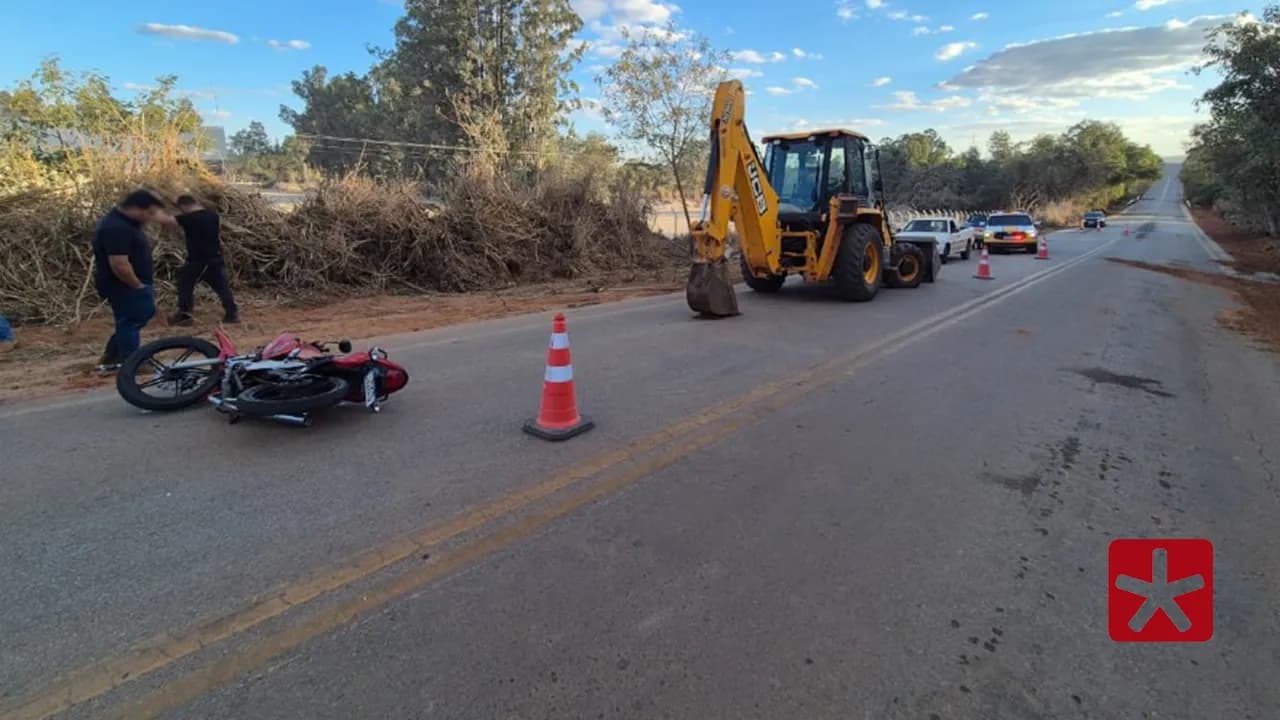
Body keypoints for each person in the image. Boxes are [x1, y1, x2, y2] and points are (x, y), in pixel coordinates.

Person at [92, 189, 168, 372]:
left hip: (127, 283)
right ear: (136, 208)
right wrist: (137, 286)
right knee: (131, 321)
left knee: (133, 318)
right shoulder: (117, 228)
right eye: (149, 213)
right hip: (124, 284)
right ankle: (132, 360)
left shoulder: (123, 223)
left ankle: (112, 357)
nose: (150, 218)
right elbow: (119, 264)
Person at [164, 195, 240, 326]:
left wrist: (154, 208)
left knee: (185, 282)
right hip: (215, 258)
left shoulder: (190, 218)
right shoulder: (212, 216)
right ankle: (232, 313)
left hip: (198, 261)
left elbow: (168, 221)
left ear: (184, 206)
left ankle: (184, 315)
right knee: (221, 287)